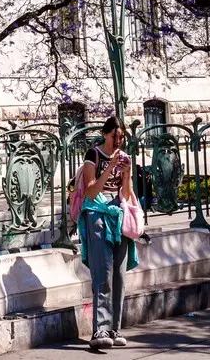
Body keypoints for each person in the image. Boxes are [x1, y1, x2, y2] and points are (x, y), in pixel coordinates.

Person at [74, 116, 139, 353]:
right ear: (105, 134)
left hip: (117, 212)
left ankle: (114, 328)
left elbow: (127, 192)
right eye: (115, 136)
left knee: (119, 273)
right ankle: (99, 329)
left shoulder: (124, 157)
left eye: (122, 137)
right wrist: (110, 166)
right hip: (97, 211)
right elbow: (91, 191)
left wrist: (127, 172)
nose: (119, 141)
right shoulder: (94, 155)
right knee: (104, 271)